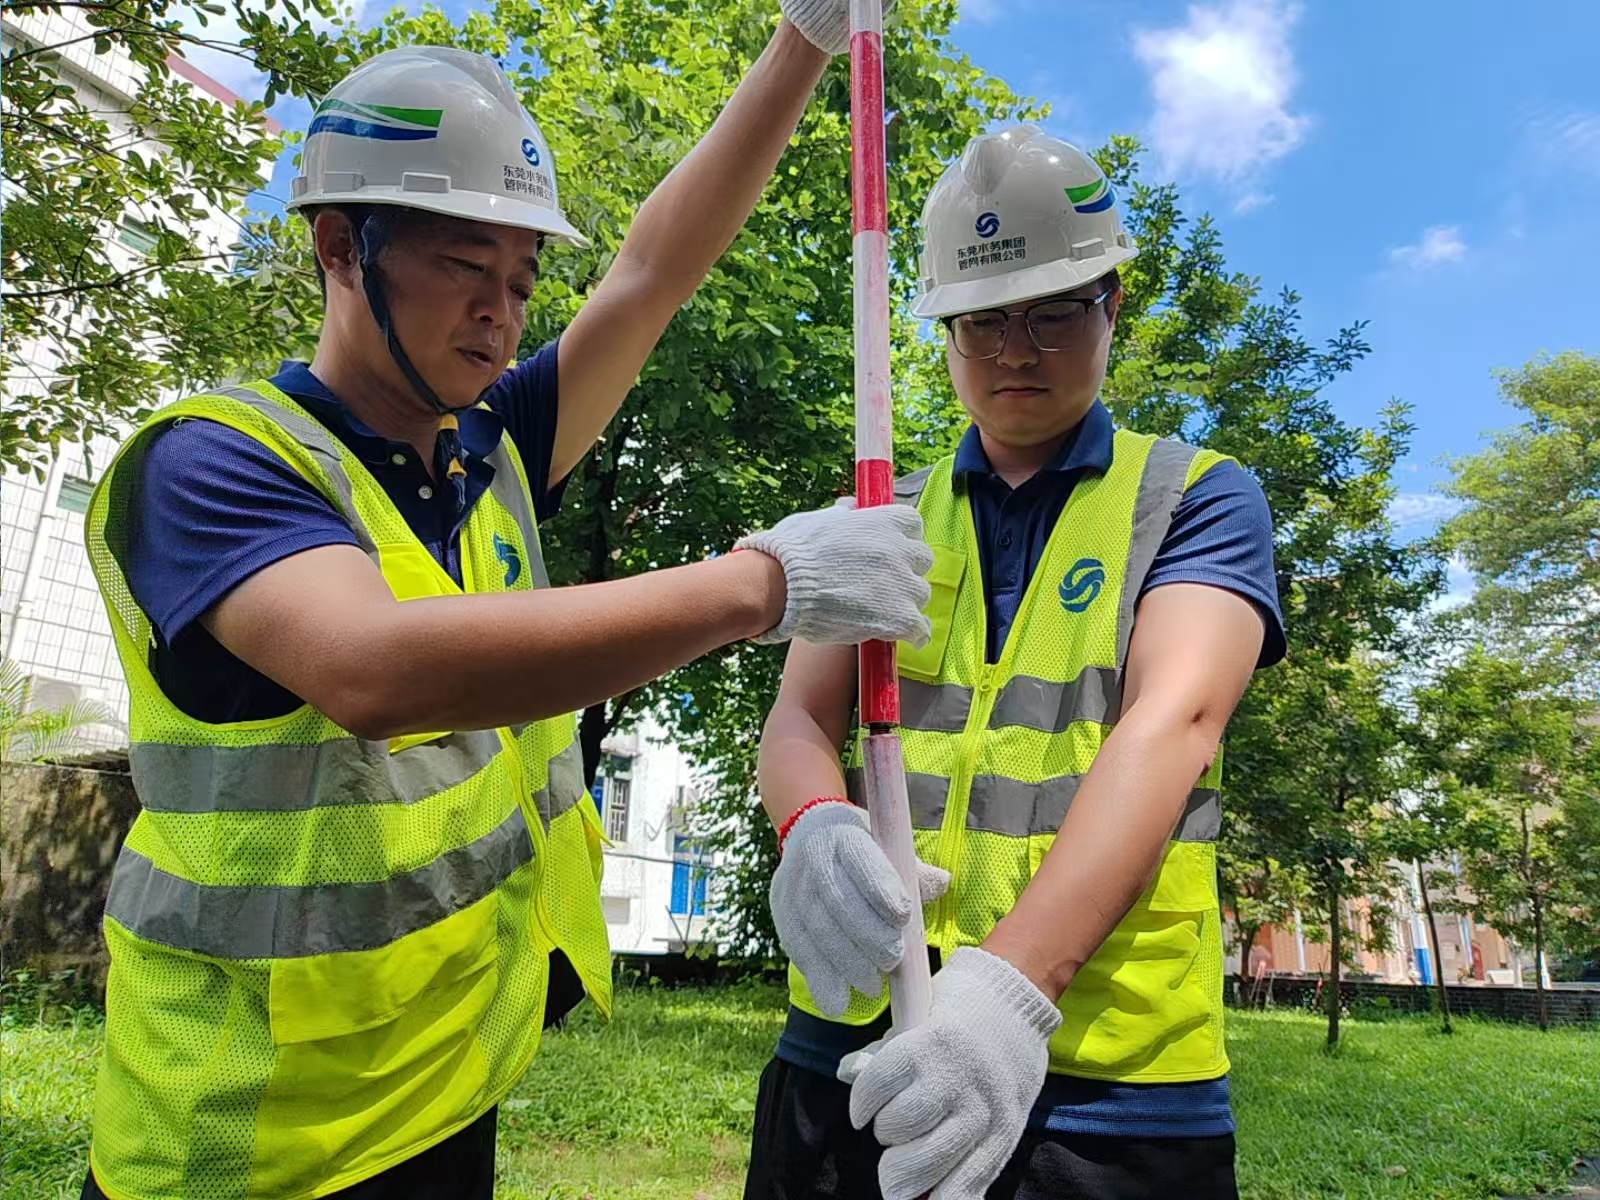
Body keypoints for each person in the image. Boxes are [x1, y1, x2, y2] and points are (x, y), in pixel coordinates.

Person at [77, 8, 932, 1199]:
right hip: (256, 1140)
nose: (501, 309)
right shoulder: (212, 462)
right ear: (340, 247)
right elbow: (374, 667)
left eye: (523, 280)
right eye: (464, 267)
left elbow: (650, 276)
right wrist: (763, 584)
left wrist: (802, 39)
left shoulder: (488, 455)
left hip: (443, 1092)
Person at [748, 125, 1286, 1200]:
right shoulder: (881, 516)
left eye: (1052, 312)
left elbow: (1173, 724)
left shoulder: (1194, 499)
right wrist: (812, 825)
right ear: (945, 328)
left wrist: (1009, 990)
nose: (1014, 351)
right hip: (850, 1050)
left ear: (1112, 305)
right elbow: (800, 719)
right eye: (983, 319)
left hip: (1107, 1090)